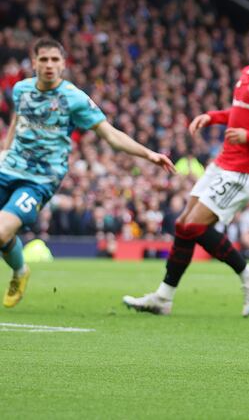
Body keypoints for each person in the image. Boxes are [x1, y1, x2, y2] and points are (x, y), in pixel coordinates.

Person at [123, 21, 249, 317]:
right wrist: (213, 116)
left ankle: (248, 275)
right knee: (183, 225)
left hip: (246, 170)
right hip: (223, 163)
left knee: (194, 226)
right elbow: (243, 112)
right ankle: (164, 297)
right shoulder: (246, 74)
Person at [0, 38, 175, 308]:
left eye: (55, 60)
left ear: (63, 64)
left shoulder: (74, 98)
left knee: (1, 231)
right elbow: (17, 120)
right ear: (33, 62)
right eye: (43, 59)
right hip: (7, 168)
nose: (49, 65)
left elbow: (110, 134)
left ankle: (20, 271)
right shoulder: (21, 89)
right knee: (4, 233)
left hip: (40, 180)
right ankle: (20, 268)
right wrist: (5, 148)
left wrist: (148, 154)